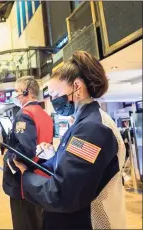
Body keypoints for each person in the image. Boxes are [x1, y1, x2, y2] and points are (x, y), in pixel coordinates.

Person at [14, 51, 127, 229]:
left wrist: (25, 176)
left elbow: (63, 193)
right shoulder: (82, 122)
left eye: (54, 93)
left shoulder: (93, 128)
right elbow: (70, 167)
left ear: (76, 87)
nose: (52, 99)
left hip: (88, 221)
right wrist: (37, 164)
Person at [2, 77, 53, 230]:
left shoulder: (24, 114)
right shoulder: (45, 115)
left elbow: (25, 149)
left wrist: (9, 159)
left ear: (27, 92)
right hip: (41, 177)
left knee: (25, 222)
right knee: (38, 221)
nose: (15, 95)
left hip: (24, 181)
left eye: (17, 91)